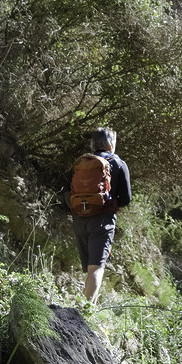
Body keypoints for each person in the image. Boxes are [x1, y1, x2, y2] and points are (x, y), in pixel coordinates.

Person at [68, 127, 131, 305]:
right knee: (96, 268)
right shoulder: (118, 164)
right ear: (111, 144)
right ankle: (84, 311)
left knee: (90, 269)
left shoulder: (82, 163)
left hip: (79, 219)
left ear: (93, 144)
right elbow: (126, 199)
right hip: (102, 221)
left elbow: (69, 191)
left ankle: (89, 308)